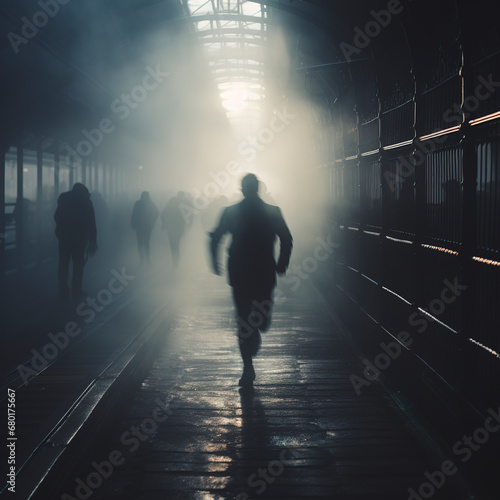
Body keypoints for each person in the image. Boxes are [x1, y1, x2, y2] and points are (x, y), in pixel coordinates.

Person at [209, 174, 293, 386]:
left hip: (239, 271)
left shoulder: (231, 211)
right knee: (260, 316)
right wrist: (282, 263)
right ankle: (252, 348)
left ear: (242, 189)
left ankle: (248, 366)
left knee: (243, 318)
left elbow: (217, 236)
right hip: (264, 270)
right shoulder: (272, 212)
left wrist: (215, 261)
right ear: (259, 189)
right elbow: (286, 238)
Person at [54, 183, 98, 300]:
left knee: (63, 265)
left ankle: (63, 291)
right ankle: (76, 291)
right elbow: (91, 222)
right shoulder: (86, 201)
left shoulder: (64, 199)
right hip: (79, 239)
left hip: (64, 237)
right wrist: (93, 241)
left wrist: (61, 229)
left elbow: (56, 216)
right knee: (78, 266)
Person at [161, 191, 191, 267]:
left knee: (173, 243)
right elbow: (190, 214)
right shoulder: (185, 202)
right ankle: (176, 257)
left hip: (173, 226)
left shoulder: (172, 201)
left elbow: (164, 212)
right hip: (176, 226)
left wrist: (164, 224)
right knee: (175, 243)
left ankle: (175, 257)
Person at [130, 191, 159, 263]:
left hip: (139, 226)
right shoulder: (151, 203)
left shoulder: (137, 203)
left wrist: (133, 223)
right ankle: (147, 258)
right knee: (146, 242)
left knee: (140, 243)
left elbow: (134, 214)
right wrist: (152, 221)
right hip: (147, 226)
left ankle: (142, 259)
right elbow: (157, 213)